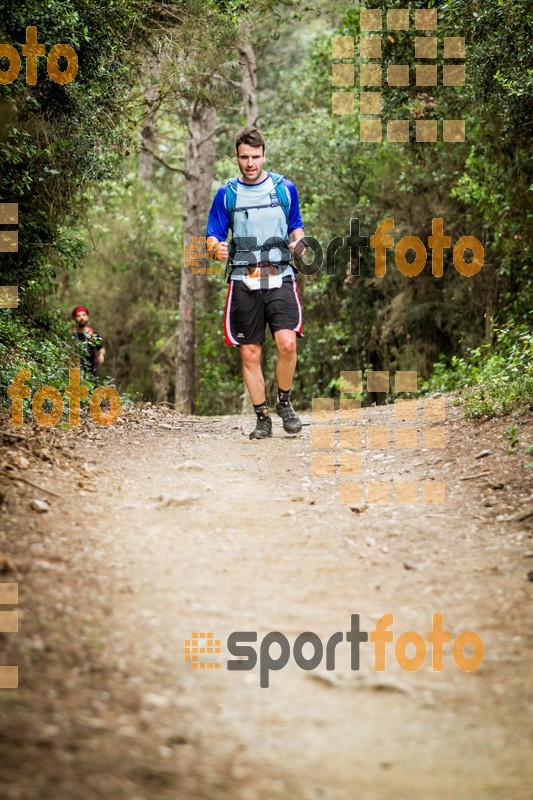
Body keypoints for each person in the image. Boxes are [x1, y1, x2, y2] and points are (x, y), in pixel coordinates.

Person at [205, 127, 307, 440]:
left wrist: (300, 246)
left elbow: (296, 228)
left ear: (264, 155)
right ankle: (262, 417)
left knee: (287, 344)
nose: (250, 163)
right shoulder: (227, 194)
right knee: (250, 352)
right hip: (243, 279)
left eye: (255, 156)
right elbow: (213, 237)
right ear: (236, 157)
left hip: (279, 275)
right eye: (244, 157)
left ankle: (284, 402)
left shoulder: (284, 188)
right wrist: (215, 249)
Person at [70, 306, 105, 377]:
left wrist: (101, 355)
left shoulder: (92, 334)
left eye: (84, 315)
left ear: (87, 317)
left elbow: (100, 348)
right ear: (74, 318)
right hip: (73, 371)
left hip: (90, 372)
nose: (81, 318)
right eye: (78, 316)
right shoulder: (71, 334)